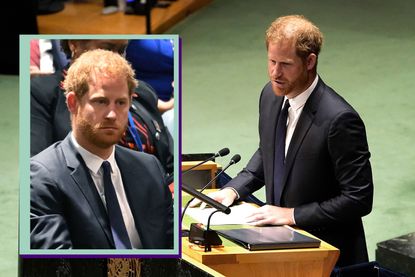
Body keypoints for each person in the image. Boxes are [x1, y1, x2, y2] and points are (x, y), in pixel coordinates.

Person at [192, 15, 373, 267]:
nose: (275, 73)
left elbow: (358, 199)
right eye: (271, 61)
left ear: (310, 61)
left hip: (328, 256)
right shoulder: (271, 95)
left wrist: (292, 215)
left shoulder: (339, 119)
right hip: (278, 245)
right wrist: (232, 190)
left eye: (285, 64)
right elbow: (269, 153)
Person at [30, 49, 173, 249]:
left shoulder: (149, 167)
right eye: (101, 101)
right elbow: (57, 264)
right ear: (73, 103)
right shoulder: (42, 176)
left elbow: (171, 247)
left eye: (121, 103)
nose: (112, 114)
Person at [30, 39, 174, 177]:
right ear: (74, 44)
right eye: (106, 48)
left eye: (121, 50)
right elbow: (37, 171)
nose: (115, 58)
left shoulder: (143, 91)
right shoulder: (43, 92)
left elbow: (170, 164)